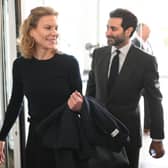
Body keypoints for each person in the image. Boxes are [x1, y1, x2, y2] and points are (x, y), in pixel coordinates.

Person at [0, 6, 84, 168]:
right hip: (37, 137)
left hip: (65, 138)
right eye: (48, 28)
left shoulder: (69, 63)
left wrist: (80, 106)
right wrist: (2, 137)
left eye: (56, 28)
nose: (54, 32)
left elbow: (81, 105)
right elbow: (16, 102)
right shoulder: (21, 65)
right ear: (31, 31)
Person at [86, 8, 165, 168]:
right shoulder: (98, 54)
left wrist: (157, 138)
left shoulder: (146, 61)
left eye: (113, 29)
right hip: (98, 133)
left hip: (128, 136)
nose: (108, 33)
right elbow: (90, 93)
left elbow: (154, 100)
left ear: (128, 31)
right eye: (107, 28)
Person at [132, 23, 153, 135]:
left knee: (150, 102)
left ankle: (147, 126)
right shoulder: (134, 43)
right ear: (140, 31)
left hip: (148, 80)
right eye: (147, 29)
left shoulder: (148, 43)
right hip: (137, 80)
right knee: (133, 104)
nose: (149, 31)